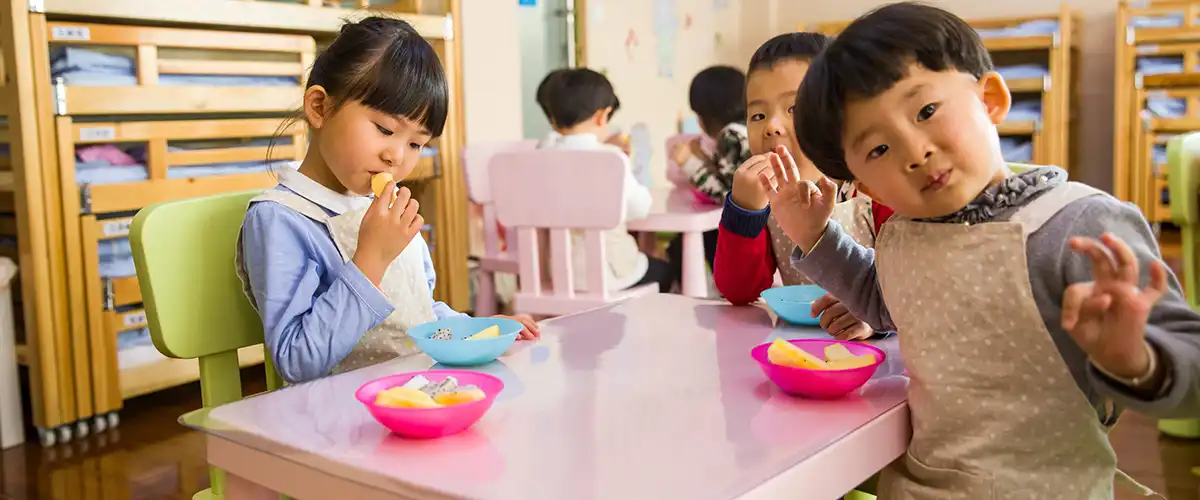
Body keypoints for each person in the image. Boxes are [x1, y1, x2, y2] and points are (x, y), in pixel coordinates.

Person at [769, 3, 1200, 497]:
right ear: (865, 186)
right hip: (917, 485)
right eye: (878, 150)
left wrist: (1137, 360)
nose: (915, 151)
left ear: (990, 99)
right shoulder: (904, 233)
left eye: (926, 111)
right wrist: (815, 234)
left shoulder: (1076, 225)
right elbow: (885, 300)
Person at [238, 17, 538, 385]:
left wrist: (476, 328)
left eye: (415, 144)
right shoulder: (281, 219)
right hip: (337, 421)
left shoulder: (381, 205)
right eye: (385, 129)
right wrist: (370, 261)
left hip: (412, 394)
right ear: (319, 108)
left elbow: (416, 318)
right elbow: (297, 360)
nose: (397, 157)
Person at [712, 33, 889, 340]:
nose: (771, 126)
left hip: (887, 357)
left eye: (793, 108)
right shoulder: (767, 196)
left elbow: (920, 287)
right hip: (800, 344)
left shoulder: (878, 188)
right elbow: (740, 292)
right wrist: (745, 210)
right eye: (757, 115)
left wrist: (877, 319)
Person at [538, 68, 674, 293]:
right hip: (612, 276)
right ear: (602, 116)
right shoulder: (611, 159)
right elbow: (640, 208)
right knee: (663, 271)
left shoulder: (541, 154)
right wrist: (624, 160)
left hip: (560, 277)